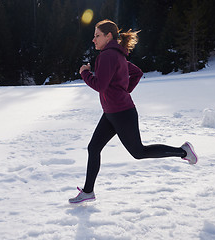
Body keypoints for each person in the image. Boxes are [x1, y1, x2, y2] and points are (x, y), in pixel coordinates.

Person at [69, 19, 198, 204]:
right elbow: (136, 73)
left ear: (108, 36)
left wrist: (84, 73)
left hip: (121, 112)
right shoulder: (117, 55)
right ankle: (88, 191)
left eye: (97, 35)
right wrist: (122, 92)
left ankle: (183, 152)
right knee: (94, 147)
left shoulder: (107, 56)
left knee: (138, 152)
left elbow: (100, 85)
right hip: (112, 112)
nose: (93, 39)